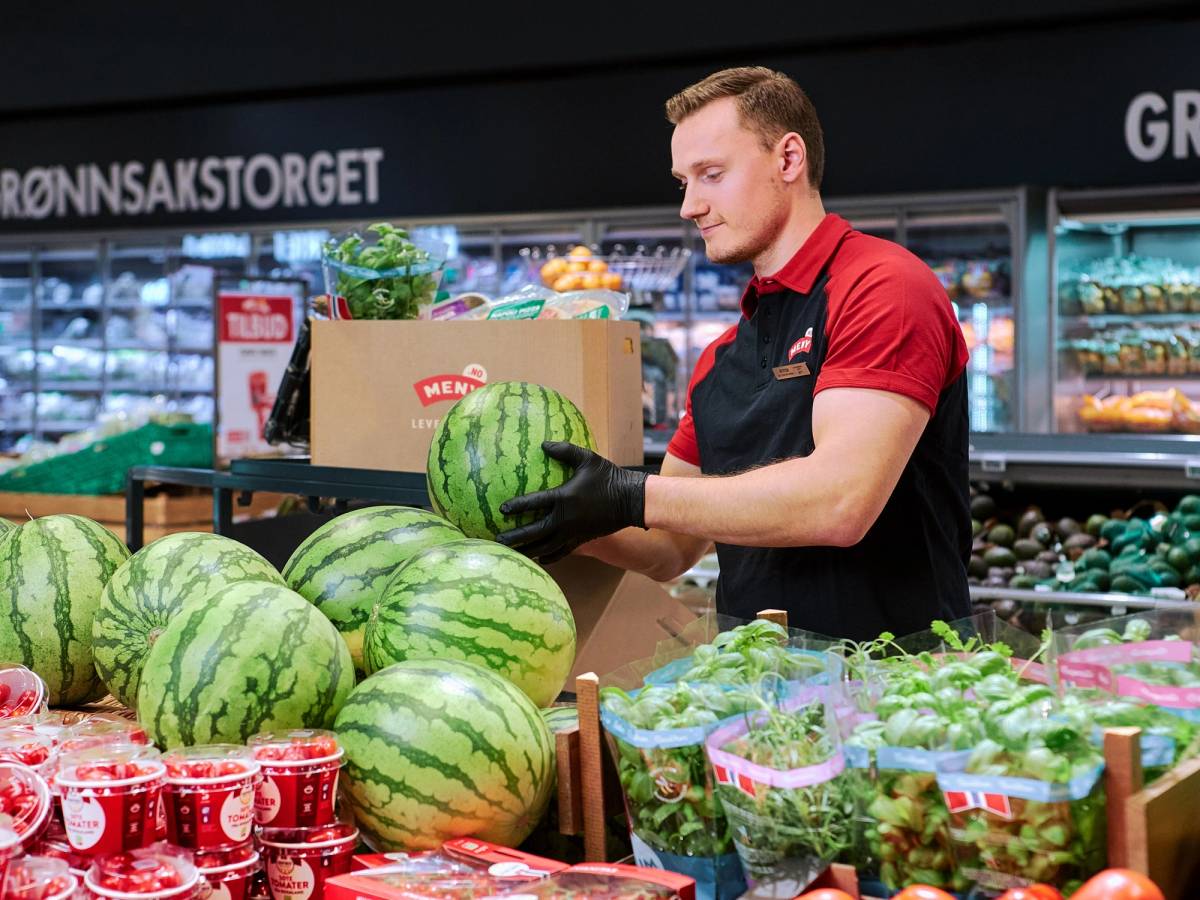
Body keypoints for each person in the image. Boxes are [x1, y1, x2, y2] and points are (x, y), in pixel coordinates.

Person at [497, 66, 971, 640]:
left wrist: (630, 493)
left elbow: (841, 501)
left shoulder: (882, 286)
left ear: (788, 159)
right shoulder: (722, 356)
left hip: (898, 693)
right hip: (758, 691)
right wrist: (565, 514)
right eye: (683, 182)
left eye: (711, 174)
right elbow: (670, 547)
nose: (689, 206)